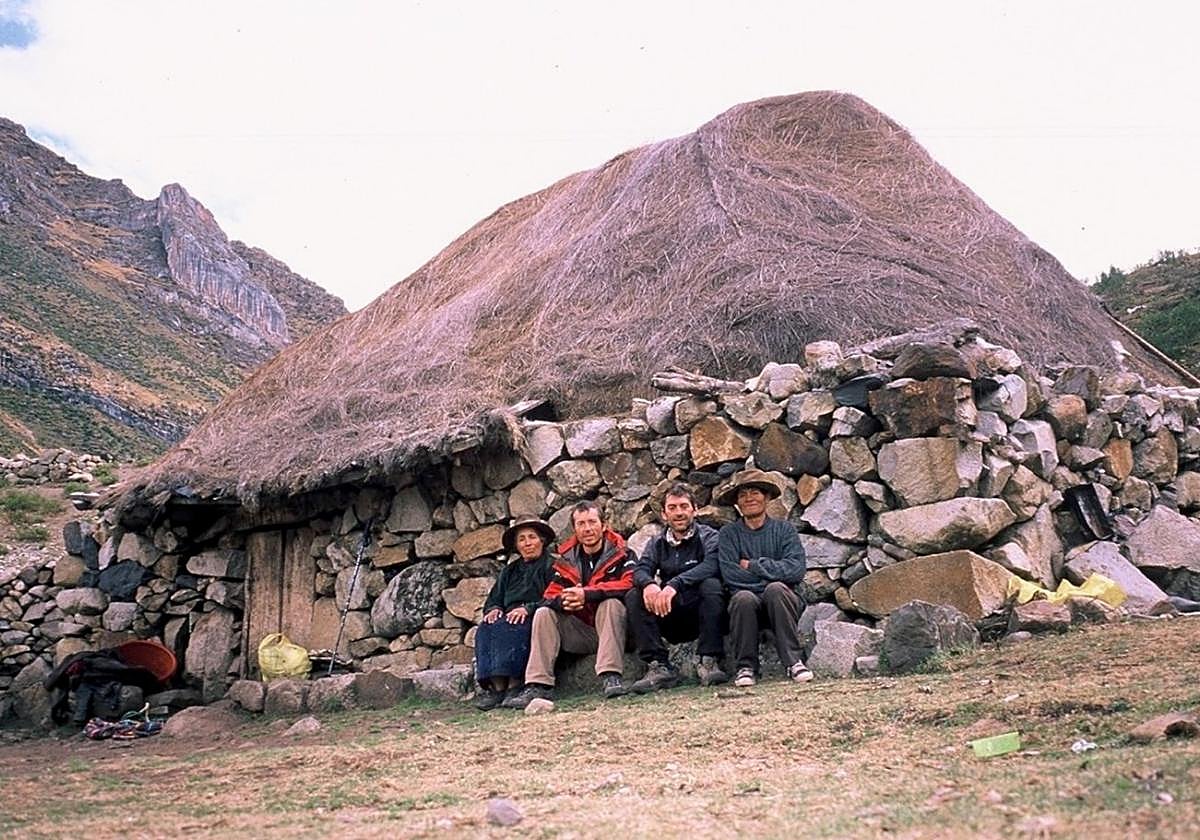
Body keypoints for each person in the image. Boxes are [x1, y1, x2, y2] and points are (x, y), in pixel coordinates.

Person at [502, 500, 635, 708]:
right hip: (582, 632)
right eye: (581, 524)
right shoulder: (567, 559)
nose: (587, 529)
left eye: (592, 522)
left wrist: (587, 594)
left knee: (611, 603)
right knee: (544, 612)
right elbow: (549, 595)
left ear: (604, 525)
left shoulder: (622, 553)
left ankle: (611, 676)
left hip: (619, 630)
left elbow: (629, 584)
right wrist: (565, 601)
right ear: (575, 529)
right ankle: (538, 685)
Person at [625, 483, 728, 692]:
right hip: (668, 612)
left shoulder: (709, 536)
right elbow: (640, 569)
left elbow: (712, 565)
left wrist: (674, 584)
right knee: (634, 595)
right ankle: (658, 666)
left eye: (683, 506)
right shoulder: (657, 542)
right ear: (664, 514)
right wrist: (649, 585)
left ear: (694, 509)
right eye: (672, 508)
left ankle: (709, 661)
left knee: (712, 585)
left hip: (702, 612)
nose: (678, 513)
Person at [715, 469, 813, 687]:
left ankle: (794, 662)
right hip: (746, 610)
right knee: (743, 597)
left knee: (776, 590)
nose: (749, 498)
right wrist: (771, 576)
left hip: (782, 604)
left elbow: (796, 570)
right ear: (737, 503)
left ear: (767, 497)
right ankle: (746, 667)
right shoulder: (729, 534)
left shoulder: (784, 530)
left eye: (755, 492)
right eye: (743, 494)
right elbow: (731, 575)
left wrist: (753, 565)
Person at [473, 516, 556, 711]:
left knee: (515, 629)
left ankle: (514, 684)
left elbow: (554, 597)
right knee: (486, 628)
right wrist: (494, 609)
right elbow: (494, 598)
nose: (527, 543)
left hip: (535, 614)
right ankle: (497, 688)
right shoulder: (510, 571)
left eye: (532, 537)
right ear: (517, 546)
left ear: (541, 540)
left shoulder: (551, 566)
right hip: (508, 614)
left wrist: (528, 609)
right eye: (522, 539)